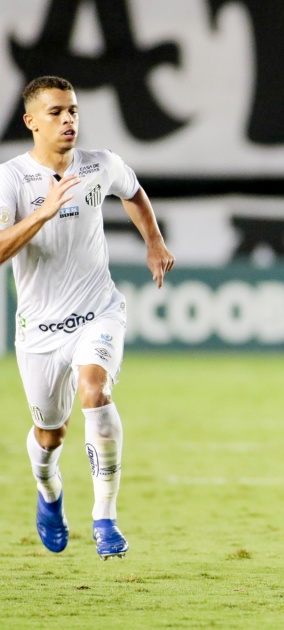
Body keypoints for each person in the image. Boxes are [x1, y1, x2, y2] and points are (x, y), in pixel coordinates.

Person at [0, 76, 174, 560]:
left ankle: (105, 518)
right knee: (50, 434)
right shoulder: (10, 179)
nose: (69, 119)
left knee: (95, 391)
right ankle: (49, 492)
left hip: (98, 310)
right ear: (31, 122)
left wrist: (154, 242)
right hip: (38, 331)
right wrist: (41, 214)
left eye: (72, 110)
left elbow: (134, 192)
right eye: (56, 112)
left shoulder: (100, 164)